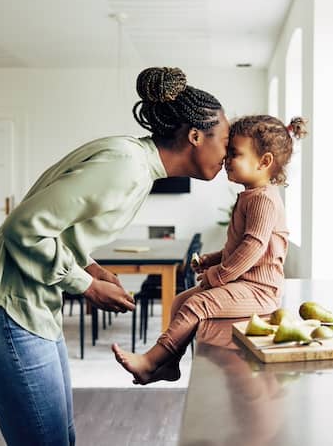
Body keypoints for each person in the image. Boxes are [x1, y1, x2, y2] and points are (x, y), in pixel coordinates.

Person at [0, 67, 229, 446]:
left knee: (59, 437)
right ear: (195, 136)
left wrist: (93, 268)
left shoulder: (134, 162)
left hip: (25, 307)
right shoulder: (125, 166)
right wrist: (86, 286)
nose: (227, 155)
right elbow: (24, 228)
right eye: (225, 141)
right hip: (3, 308)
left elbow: (59, 228)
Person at [112, 114, 309, 385]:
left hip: (260, 291)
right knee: (181, 300)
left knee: (196, 305)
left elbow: (253, 247)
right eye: (228, 153)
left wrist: (219, 275)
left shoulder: (264, 200)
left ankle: (150, 361)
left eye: (235, 154)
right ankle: (170, 364)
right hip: (243, 283)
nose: (226, 159)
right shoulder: (251, 196)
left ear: (264, 162)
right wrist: (212, 259)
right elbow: (241, 246)